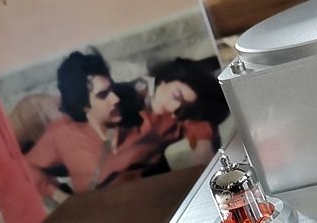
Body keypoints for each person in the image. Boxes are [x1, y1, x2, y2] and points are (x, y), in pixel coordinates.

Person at [24, 50, 210, 204]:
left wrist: (203, 146)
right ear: (83, 104)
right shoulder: (62, 134)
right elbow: (26, 168)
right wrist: (60, 197)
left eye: (112, 89)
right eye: (103, 95)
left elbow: (194, 122)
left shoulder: (144, 123)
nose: (115, 99)